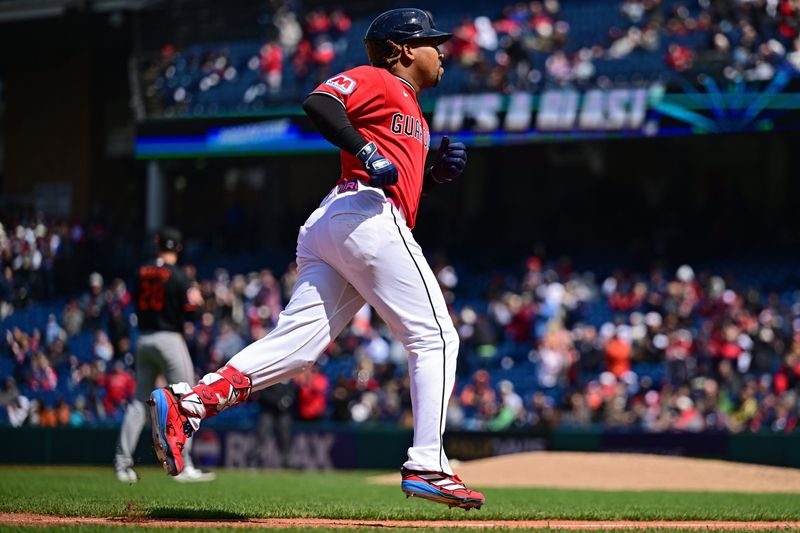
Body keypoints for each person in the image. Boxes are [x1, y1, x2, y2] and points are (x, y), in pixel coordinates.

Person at [147, 8, 484, 510]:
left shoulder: (410, 107)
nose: (443, 51)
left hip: (346, 222)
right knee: (435, 337)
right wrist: (365, 152)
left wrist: (431, 176)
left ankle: (188, 403)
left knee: (297, 349)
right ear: (405, 49)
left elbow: (401, 189)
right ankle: (429, 462)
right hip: (362, 212)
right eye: (433, 42)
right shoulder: (379, 79)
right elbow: (321, 102)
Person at [114, 227, 215, 483]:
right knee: (187, 398)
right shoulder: (179, 276)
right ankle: (184, 465)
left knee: (138, 403)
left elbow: (131, 300)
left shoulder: (140, 271)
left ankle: (122, 465)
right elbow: (192, 310)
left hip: (144, 338)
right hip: (169, 338)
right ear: (178, 248)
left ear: (157, 244)